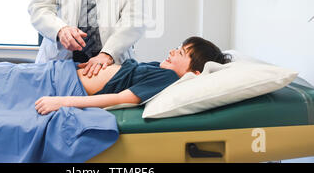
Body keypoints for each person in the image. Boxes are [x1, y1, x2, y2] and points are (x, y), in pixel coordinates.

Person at [35, 36, 232, 115]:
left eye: (180, 53)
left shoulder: (168, 79)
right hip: (63, 71)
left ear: (193, 74)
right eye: (177, 48)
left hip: (64, 85)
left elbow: (119, 98)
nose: (172, 51)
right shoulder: (161, 69)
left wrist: (61, 102)